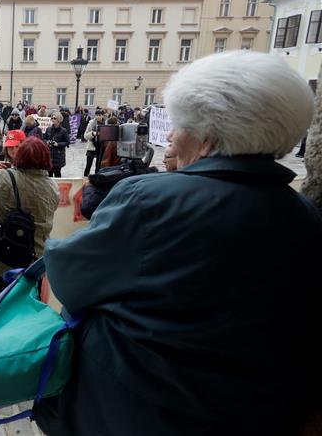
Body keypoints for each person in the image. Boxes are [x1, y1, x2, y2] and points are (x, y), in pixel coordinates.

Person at [36, 51, 322, 436]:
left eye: (179, 125)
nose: (169, 135)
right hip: (254, 412)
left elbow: (70, 279)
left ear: (208, 138)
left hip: (139, 408)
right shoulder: (305, 214)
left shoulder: (150, 197)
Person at [0, 137, 58, 300]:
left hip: (1, 257)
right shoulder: (52, 186)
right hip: (33, 261)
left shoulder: (3, 177)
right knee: (27, 311)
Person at [43, 112, 69, 177]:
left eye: (54, 118)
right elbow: (43, 139)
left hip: (58, 155)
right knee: (49, 175)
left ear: (59, 119)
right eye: (52, 118)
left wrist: (58, 144)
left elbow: (67, 142)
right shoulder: (48, 129)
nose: (53, 119)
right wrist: (47, 142)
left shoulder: (63, 130)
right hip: (49, 154)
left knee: (57, 174)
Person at [83, 110, 104, 176]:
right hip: (92, 146)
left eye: (99, 115)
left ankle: (96, 179)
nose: (98, 117)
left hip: (101, 147)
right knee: (88, 165)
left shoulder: (106, 123)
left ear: (102, 115)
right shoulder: (91, 123)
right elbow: (85, 136)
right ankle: (85, 178)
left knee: (98, 166)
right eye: (96, 115)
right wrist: (92, 133)